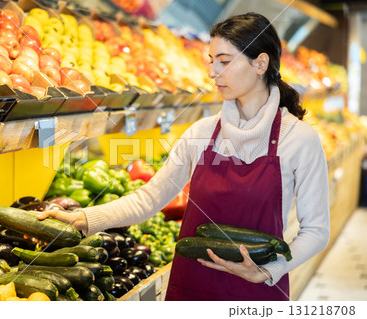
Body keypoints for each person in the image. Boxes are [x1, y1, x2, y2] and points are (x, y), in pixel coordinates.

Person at [37, 12, 330, 301]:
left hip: (256, 292)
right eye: (211, 61)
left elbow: (316, 230)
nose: (213, 72)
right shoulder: (200, 133)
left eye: (225, 62)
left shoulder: (299, 140)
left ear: (260, 63)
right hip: (191, 288)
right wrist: (82, 218)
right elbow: (149, 199)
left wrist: (271, 270)